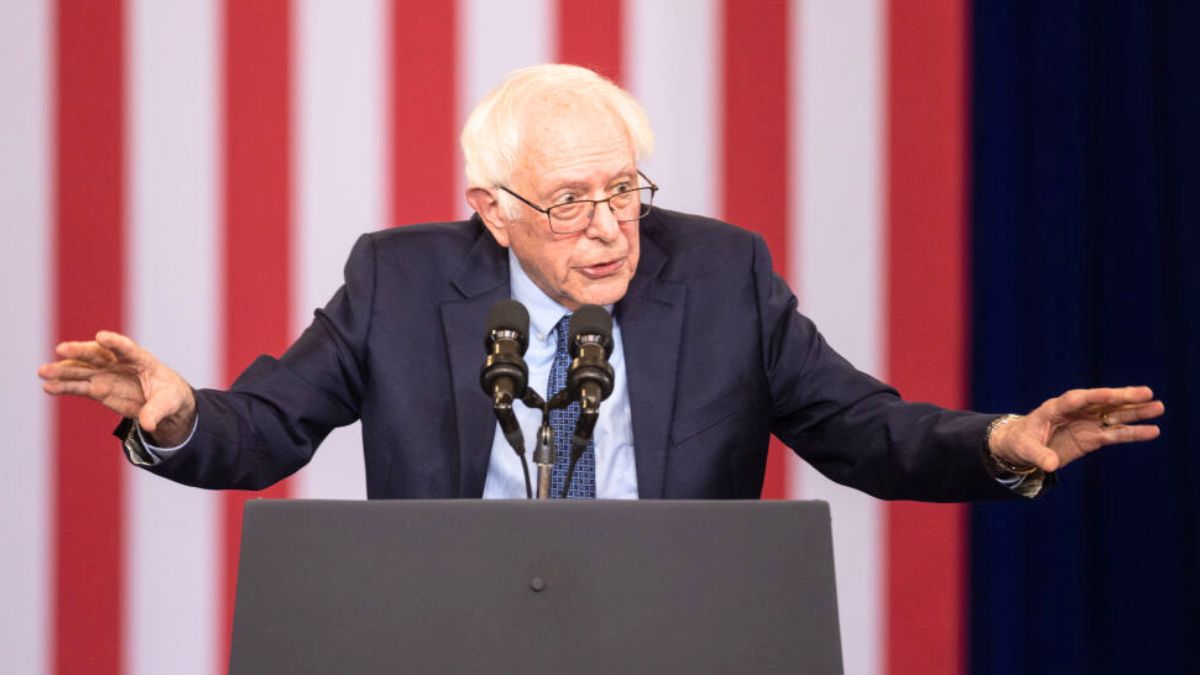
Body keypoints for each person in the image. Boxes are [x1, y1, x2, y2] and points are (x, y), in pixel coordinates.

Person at [37, 64, 1163, 500]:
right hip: (445, 639)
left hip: (678, 633)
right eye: (570, 201)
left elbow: (862, 427)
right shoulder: (397, 279)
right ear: (492, 207)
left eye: (625, 190)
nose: (611, 227)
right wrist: (177, 415)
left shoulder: (722, 272)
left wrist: (1002, 443)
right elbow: (271, 425)